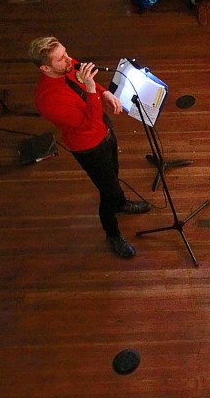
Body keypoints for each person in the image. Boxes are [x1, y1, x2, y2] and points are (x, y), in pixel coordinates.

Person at [29, 36, 151, 259]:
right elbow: (89, 122)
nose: (69, 60)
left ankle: (122, 204)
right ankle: (112, 233)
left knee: (114, 174)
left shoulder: (66, 65)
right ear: (46, 68)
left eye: (66, 52)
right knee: (108, 191)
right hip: (89, 147)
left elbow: (85, 84)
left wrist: (103, 91)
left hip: (105, 131)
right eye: (61, 59)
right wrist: (92, 87)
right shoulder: (47, 100)